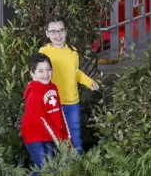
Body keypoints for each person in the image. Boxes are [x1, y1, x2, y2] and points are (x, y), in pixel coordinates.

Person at [39, 16, 99, 155]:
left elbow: (76, 73)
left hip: (72, 102)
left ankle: (76, 168)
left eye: (61, 31)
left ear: (66, 31)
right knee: (53, 138)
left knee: (75, 137)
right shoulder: (43, 52)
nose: (58, 35)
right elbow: (39, 76)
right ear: (47, 33)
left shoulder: (73, 52)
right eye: (53, 32)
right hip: (51, 103)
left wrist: (90, 82)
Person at [20, 53, 70, 175]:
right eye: (41, 71)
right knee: (46, 167)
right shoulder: (35, 93)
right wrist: (58, 137)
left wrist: (65, 135)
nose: (46, 74)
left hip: (49, 135)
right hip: (34, 135)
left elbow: (59, 112)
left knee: (46, 167)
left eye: (48, 69)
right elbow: (40, 119)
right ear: (33, 74)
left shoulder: (53, 87)